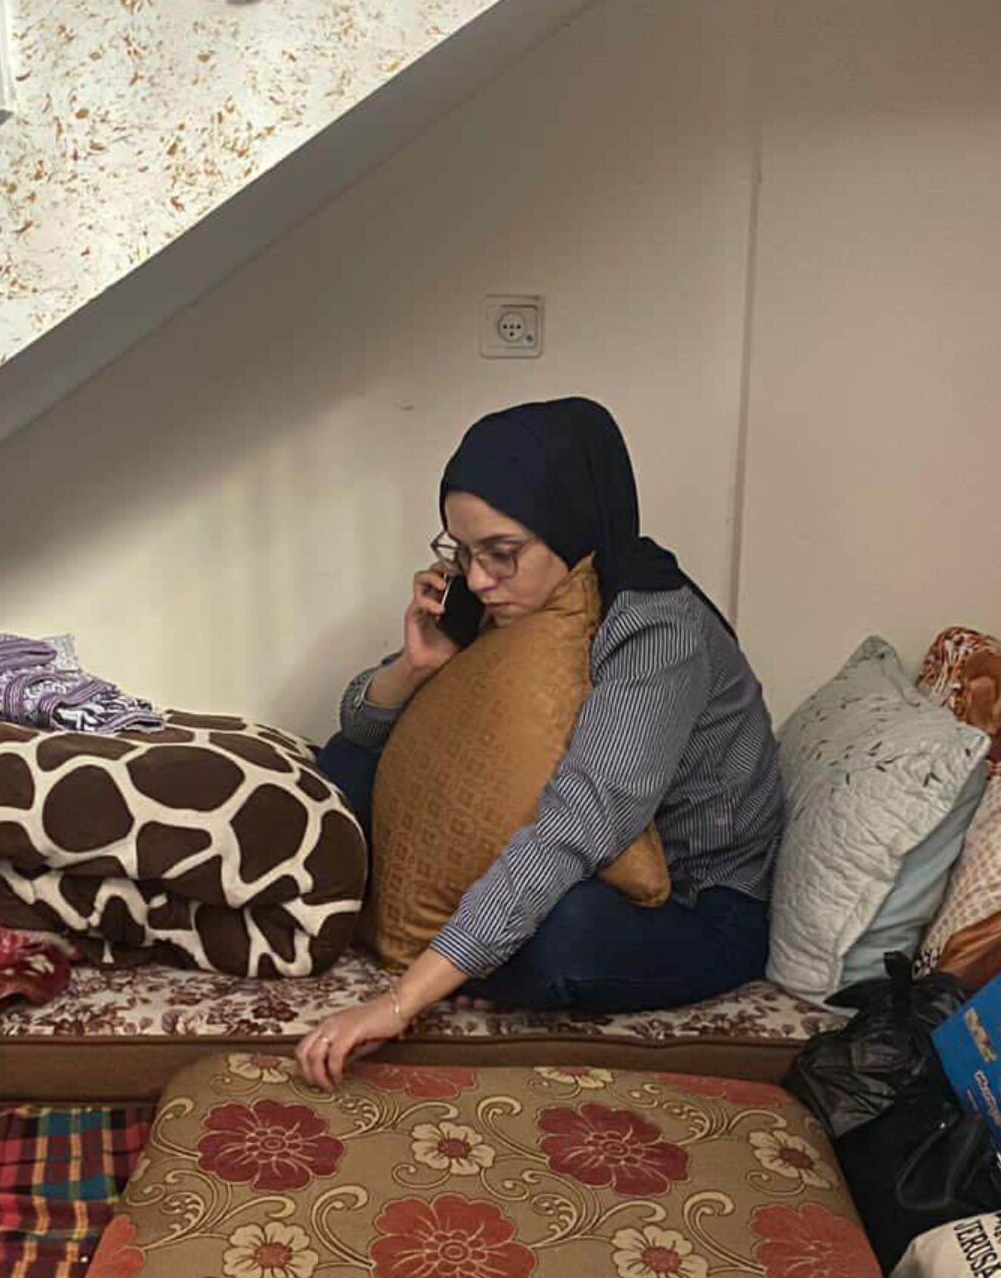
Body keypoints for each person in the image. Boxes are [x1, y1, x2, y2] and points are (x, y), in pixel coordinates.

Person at [298, 397, 786, 1089]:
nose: (478, 580)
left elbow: (576, 826)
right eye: (462, 553)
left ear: (571, 522)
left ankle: (463, 938)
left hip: (694, 907)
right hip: (572, 862)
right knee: (344, 768)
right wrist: (416, 666)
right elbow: (357, 735)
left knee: (566, 935)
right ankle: (469, 928)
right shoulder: (516, 604)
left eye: (501, 554)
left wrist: (401, 1000)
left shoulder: (657, 632)